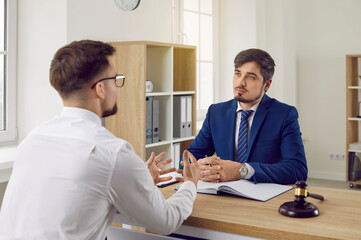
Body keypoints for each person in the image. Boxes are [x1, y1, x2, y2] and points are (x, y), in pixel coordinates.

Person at [0, 40, 200, 239]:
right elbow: (167, 221)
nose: (117, 87)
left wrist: (139, 180)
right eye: (115, 79)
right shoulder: (113, 153)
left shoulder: (32, 140)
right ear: (101, 89)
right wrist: (190, 183)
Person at [185, 48, 307, 184]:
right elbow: (190, 156)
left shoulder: (284, 115)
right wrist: (197, 166)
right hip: (223, 193)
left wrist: (243, 170)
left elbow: (297, 170)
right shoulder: (216, 112)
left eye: (251, 77)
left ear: (266, 84)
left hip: (263, 195)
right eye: (238, 74)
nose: (240, 83)